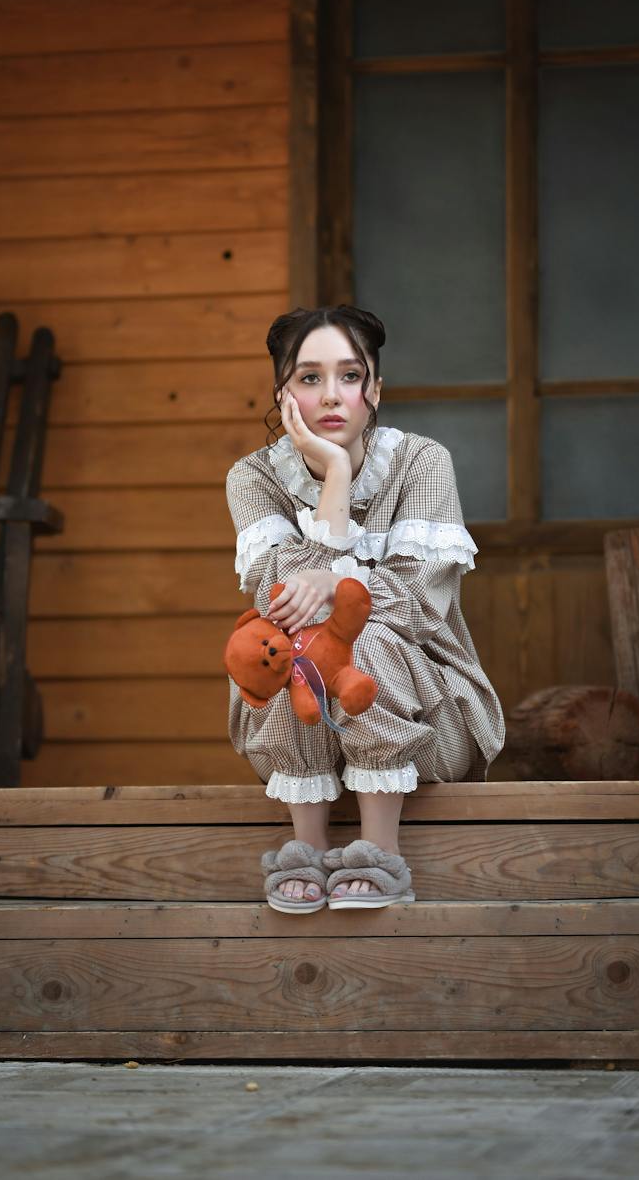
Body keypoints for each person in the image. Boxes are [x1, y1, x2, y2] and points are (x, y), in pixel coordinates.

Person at [225, 304, 505, 912]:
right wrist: (335, 475)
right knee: (280, 647)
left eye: (350, 376)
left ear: (375, 389)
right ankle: (308, 848)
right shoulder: (252, 478)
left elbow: (416, 605)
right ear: (283, 394)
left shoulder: (422, 462)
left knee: (367, 638)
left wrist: (333, 584)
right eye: (308, 378)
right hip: (296, 721)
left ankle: (382, 853)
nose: (331, 395)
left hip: (427, 716)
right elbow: (283, 602)